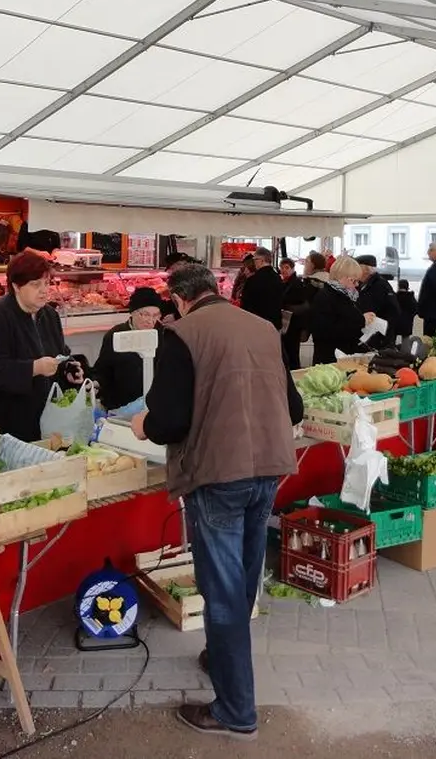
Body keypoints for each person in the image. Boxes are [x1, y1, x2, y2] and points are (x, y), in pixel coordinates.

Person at [129, 263, 302, 742]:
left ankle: (235, 710)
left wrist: (143, 424)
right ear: (214, 291)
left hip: (219, 473)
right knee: (242, 578)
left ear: (179, 299)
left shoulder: (181, 334)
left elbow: (170, 420)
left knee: (222, 589)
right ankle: (223, 657)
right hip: (269, 466)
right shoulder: (263, 327)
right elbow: (296, 407)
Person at [0, 250, 84, 442]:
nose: (44, 290)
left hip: (42, 416)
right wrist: (33, 368)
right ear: (16, 286)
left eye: (46, 283)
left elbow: (59, 352)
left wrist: (68, 368)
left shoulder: (49, 315)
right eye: (35, 284)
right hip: (4, 420)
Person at [92, 287, 162, 412]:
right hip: (120, 405)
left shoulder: (163, 335)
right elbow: (103, 370)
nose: (150, 321)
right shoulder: (116, 334)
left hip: (154, 406)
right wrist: (95, 384)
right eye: (145, 314)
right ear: (133, 312)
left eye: (156, 315)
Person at [308, 255, 374, 364]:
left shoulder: (346, 295)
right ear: (345, 278)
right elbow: (323, 332)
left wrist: (364, 318)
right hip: (330, 360)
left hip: (345, 356)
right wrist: (361, 321)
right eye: (354, 281)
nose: (357, 285)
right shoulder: (326, 297)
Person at [354, 255, 399, 348]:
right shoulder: (365, 284)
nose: (354, 272)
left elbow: (371, 309)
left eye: (356, 268)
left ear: (365, 269)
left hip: (379, 336)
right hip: (371, 334)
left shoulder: (379, 285)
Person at [239, 247, 284, 330]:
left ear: (261, 260)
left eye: (255, 259)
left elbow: (245, 305)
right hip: (274, 324)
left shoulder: (253, 280)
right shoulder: (278, 278)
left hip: (257, 324)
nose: (254, 262)